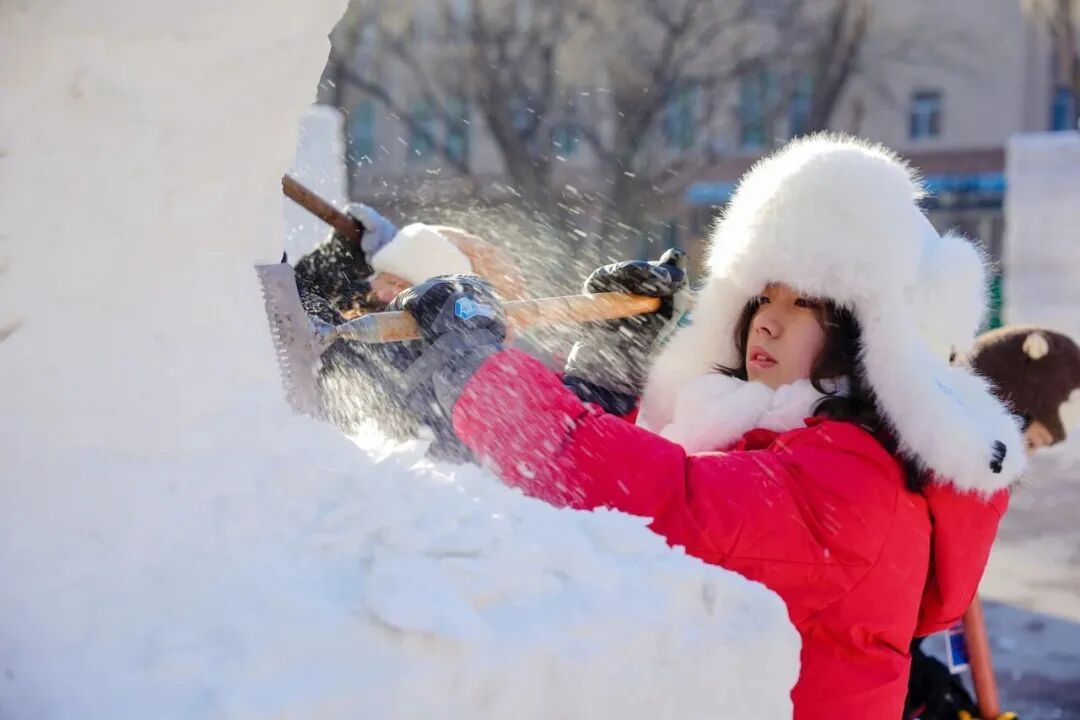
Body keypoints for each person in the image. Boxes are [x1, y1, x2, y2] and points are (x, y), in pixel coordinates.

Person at [380, 134, 1028, 719]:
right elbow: (659, 473)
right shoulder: (782, 436)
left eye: (804, 304)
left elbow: (664, 507)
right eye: (762, 297)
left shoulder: (849, 482)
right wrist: (613, 365)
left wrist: (478, 373)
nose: (768, 322)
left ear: (873, 339)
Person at [904, 325, 1080, 719]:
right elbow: (939, 604)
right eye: (1029, 444)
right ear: (1001, 417)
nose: (1025, 463)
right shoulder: (956, 487)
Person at [291, 205, 523, 459]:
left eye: (404, 289)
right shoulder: (356, 301)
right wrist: (340, 254)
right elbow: (298, 292)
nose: (388, 294)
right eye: (388, 279)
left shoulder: (416, 361)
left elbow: (298, 304)